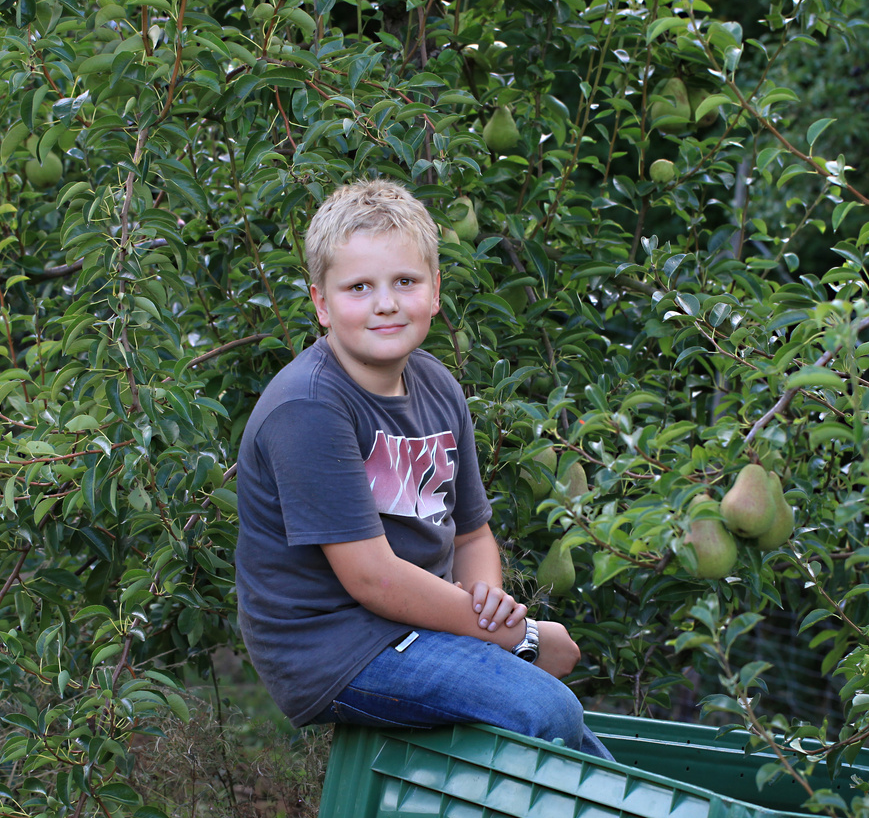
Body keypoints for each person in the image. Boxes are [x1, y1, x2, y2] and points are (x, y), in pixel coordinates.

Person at [233, 179, 612, 760]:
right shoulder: (309, 408)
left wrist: (487, 603)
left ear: (434, 291)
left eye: (404, 282)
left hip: (416, 627)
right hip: (333, 647)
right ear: (321, 303)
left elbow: (471, 531)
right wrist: (520, 638)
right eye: (359, 287)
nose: (386, 303)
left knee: (540, 710)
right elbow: (372, 579)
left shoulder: (437, 384)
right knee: (545, 709)